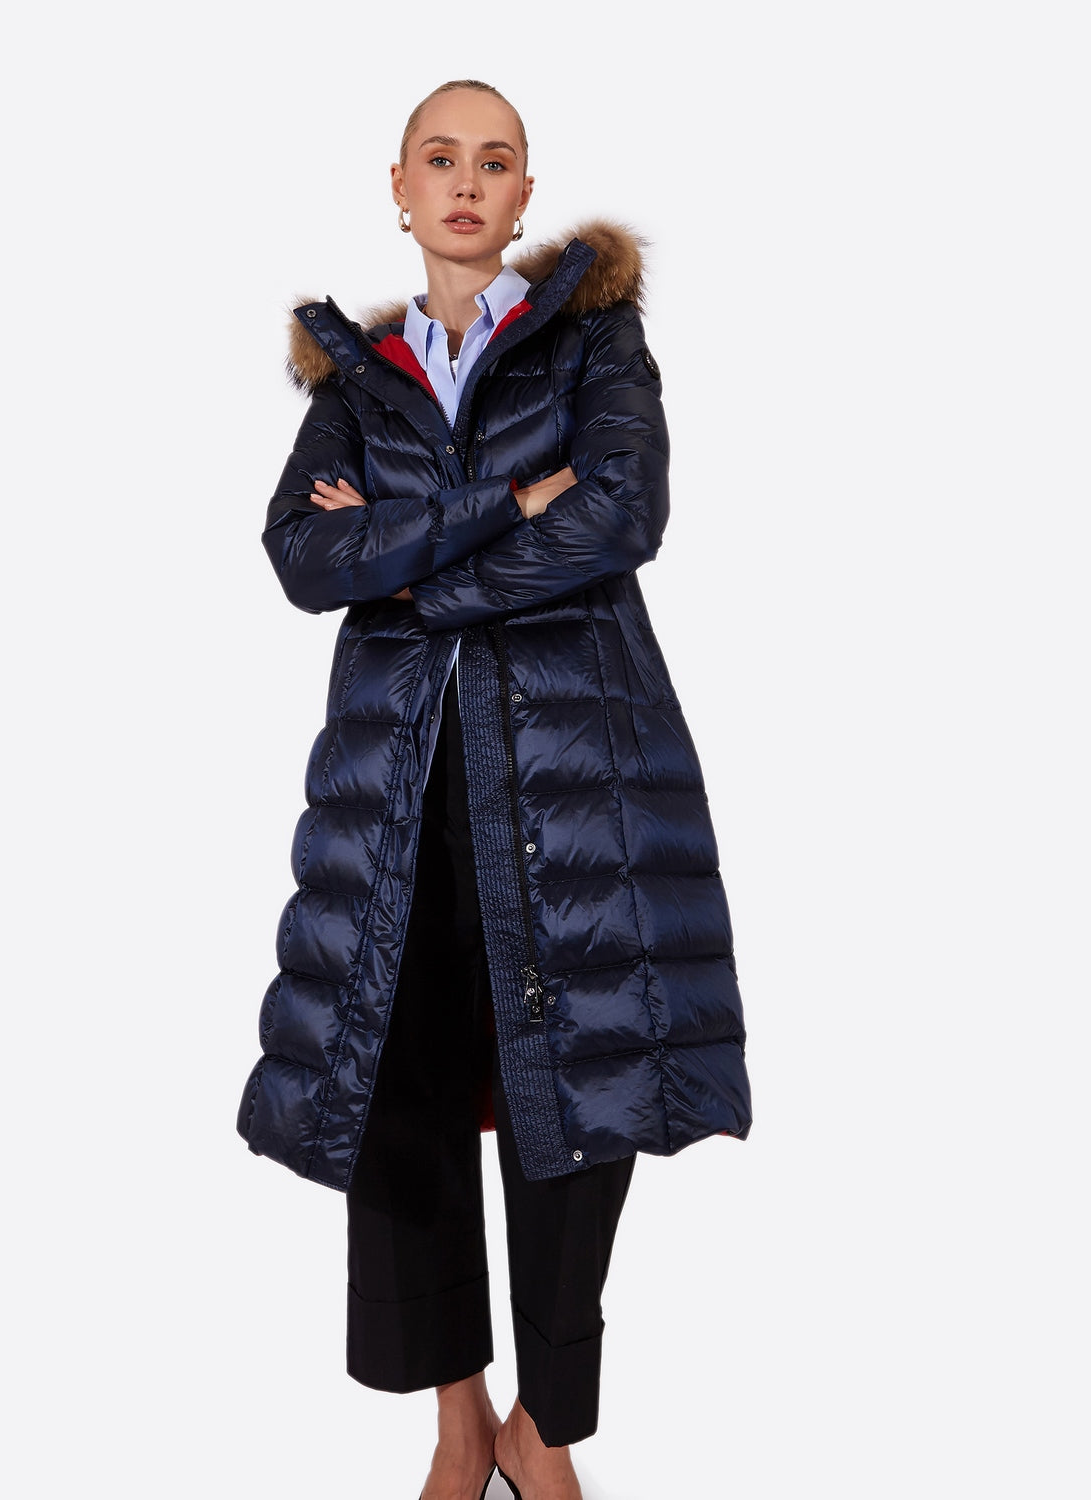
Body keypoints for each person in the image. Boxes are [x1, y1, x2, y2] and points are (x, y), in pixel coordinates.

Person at [236, 78, 754, 1500]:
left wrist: (414, 563)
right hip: (397, 782)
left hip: (579, 771)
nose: (467, 183)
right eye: (441, 159)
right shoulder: (354, 383)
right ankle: (459, 1426)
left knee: (581, 1082)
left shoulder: (593, 339)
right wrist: (509, 502)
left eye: (496, 161)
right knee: (396, 1087)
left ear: (526, 194)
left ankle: (547, 1431)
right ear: (400, 188)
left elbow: (622, 513)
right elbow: (303, 557)